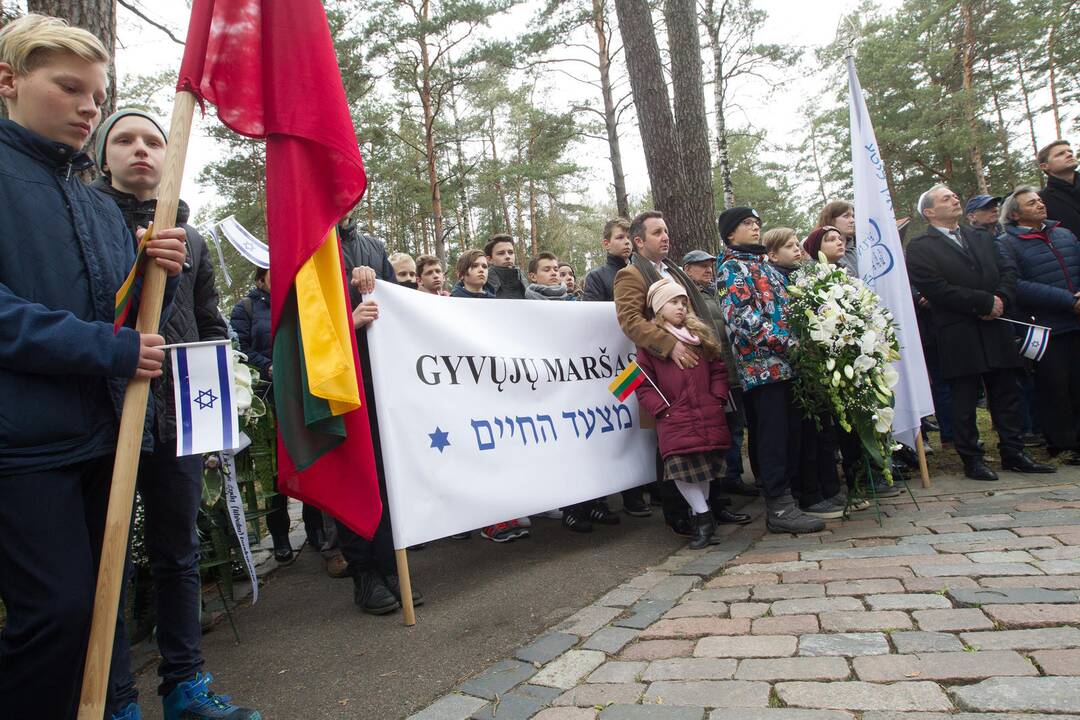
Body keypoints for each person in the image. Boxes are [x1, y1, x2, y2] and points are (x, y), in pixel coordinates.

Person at [0, 15, 187, 720]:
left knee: (100, 606)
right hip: (24, 446)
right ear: (9, 82)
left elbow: (115, 315)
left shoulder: (96, 201)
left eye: (98, 95)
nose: (89, 107)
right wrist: (106, 350)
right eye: (70, 88)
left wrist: (148, 273)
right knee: (55, 613)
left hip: (102, 439)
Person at [92, 108, 258, 720]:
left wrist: (221, 408)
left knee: (177, 553)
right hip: (107, 420)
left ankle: (184, 684)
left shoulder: (192, 240)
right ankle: (115, 700)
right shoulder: (88, 225)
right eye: (125, 140)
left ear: (169, 157)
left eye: (154, 142)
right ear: (102, 155)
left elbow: (211, 321)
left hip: (180, 422)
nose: (141, 150)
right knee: (107, 561)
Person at [614, 211, 751, 536]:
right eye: (657, 232)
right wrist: (669, 345)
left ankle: (714, 507)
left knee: (710, 443)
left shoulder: (673, 270)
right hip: (667, 375)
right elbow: (630, 321)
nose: (665, 237)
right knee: (675, 450)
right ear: (638, 241)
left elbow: (696, 313)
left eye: (666, 231)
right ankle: (682, 519)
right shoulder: (630, 275)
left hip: (700, 370)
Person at [906, 184, 1054, 481]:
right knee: (964, 398)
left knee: (1006, 392)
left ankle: (1013, 452)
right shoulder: (921, 246)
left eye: (954, 194)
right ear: (930, 211)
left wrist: (1000, 299)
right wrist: (982, 302)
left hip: (995, 326)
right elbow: (934, 287)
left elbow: (1008, 270)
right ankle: (971, 458)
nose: (954, 199)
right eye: (946, 198)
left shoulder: (981, 236)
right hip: (958, 331)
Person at [716, 207, 825, 534]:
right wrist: (788, 342)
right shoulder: (731, 269)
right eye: (747, 224)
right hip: (762, 367)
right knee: (774, 437)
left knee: (793, 434)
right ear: (731, 234)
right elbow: (742, 319)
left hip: (790, 364)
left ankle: (793, 496)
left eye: (756, 223)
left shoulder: (767, 266)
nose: (754, 228)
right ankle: (778, 505)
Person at [339, 219, 427, 613]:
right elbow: (300, 323)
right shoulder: (310, 247)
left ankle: (392, 566)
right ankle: (365, 573)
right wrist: (348, 322)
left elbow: (396, 311)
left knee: (385, 474)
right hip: (338, 382)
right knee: (353, 477)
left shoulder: (372, 246)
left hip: (379, 379)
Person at [635, 280, 733, 549]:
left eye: (682, 302)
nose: (679, 307)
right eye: (672, 302)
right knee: (681, 470)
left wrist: (717, 396)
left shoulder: (699, 337)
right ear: (658, 308)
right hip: (674, 417)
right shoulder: (651, 346)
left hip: (707, 411)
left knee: (704, 470)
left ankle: (702, 518)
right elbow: (642, 384)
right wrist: (662, 409)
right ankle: (703, 517)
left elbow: (718, 370)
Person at [450, 249, 530, 541]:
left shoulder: (493, 303)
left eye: (485, 266)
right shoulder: (452, 303)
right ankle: (487, 520)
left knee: (499, 453)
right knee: (478, 456)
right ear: (462, 273)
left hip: (494, 389)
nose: (482, 270)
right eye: (475, 266)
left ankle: (505, 514)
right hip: (468, 392)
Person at [997, 186, 1080, 465]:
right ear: (1016, 214)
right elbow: (1017, 285)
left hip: (1076, 320)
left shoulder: (1064, 235)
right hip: (1045, 327)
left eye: (1040, 200)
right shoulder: (1007, 243)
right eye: (1032, 203)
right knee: (1054, 386)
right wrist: (1068, 300)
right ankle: (1062, 442)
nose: (1040, 205)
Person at [581, 218, 652, 518]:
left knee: (645, 422)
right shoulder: (597, 277)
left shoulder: (643, 270)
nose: (624, 242)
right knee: (622, 423)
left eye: (627, 237)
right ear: (606, 243)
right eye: (618, 237)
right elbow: (593, 319)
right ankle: (628, 494)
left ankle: (649, 486)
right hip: (615, 364)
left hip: (641, 359)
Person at [682, 249, 757, 503]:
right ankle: (725, 479)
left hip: (734, 370)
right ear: (687, 269)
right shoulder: (688, 297)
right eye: (701, 266)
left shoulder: (718, 291)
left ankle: (733, 475)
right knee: (724, 427)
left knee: (737, 426)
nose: (707, 270)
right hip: (713, 372)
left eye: (710, 265)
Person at [1038, 140, 1080, 238]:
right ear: (1045, 166)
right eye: (1060, 154)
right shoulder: (1042, 200)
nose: (1069, 155)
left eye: (1070, 152)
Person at [816, 200, 858, 277]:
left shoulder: (859, 251)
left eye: (852, 216)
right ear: (830, 219)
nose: (852, 220)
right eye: (846, 216)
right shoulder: (818, 254)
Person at [483, 234, 528, 299]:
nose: (508, 257)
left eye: (510, 252)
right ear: (489, 259)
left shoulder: (524, 280)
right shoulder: (482, 283)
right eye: (501, 253)